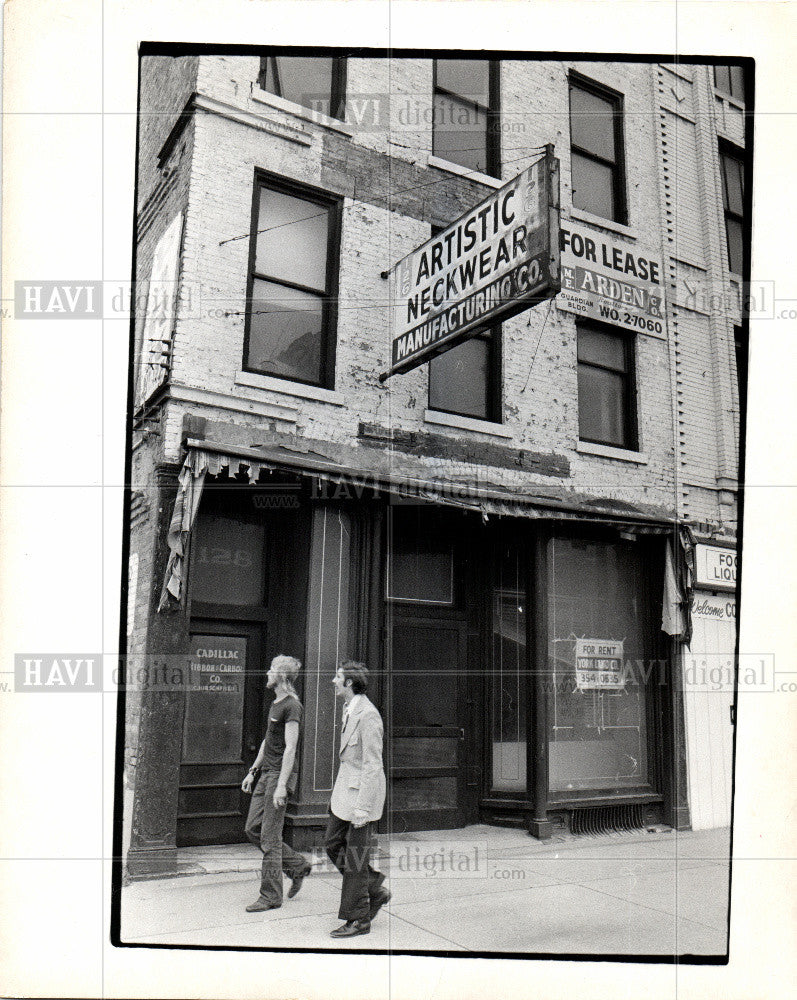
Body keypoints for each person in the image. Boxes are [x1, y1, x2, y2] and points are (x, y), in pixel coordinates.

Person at [325, 660, 390, 938]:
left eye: (337, 677)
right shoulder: (349, 709)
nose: (333, 681)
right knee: (331, 844)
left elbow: (372, 764)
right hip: (345, 794)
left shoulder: (368, 715)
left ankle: (359, 919)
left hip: (361, 796)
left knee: (355, 858)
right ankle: (374, 888)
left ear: (349, 683)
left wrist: (363, 807)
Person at [242, 654, 312, 912]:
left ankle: (271, 895)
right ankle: (296, 865)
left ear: (281, 676)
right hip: (266, 774)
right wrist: (253, 770)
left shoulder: (292, 705)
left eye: (271, 669)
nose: (267, 672)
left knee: (270, 838)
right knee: (253, 829)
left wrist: (282, 784)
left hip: (279, 775)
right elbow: (267, 741)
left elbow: (291, 748)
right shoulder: (276, 703)